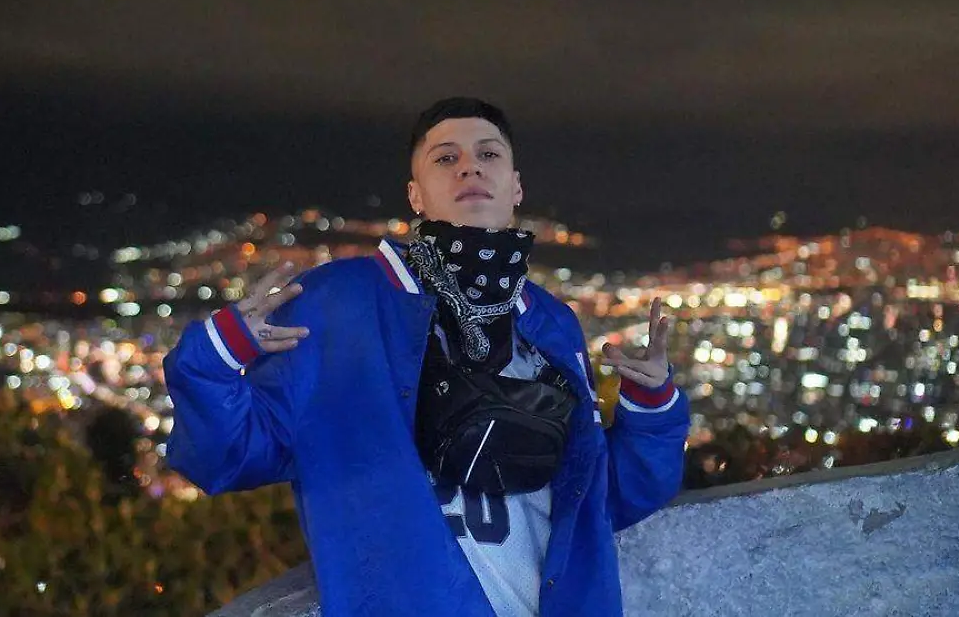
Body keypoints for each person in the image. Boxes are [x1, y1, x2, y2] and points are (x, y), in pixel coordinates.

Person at [164, 97, 690, 617]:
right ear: (415, 194)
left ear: (516, 187)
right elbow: (225, 456)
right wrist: (216, 355)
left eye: (488, 154)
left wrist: (652, 407)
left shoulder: (550, 322)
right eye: (445, 157)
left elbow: (596, 500)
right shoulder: (338, 305)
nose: (469, 167)